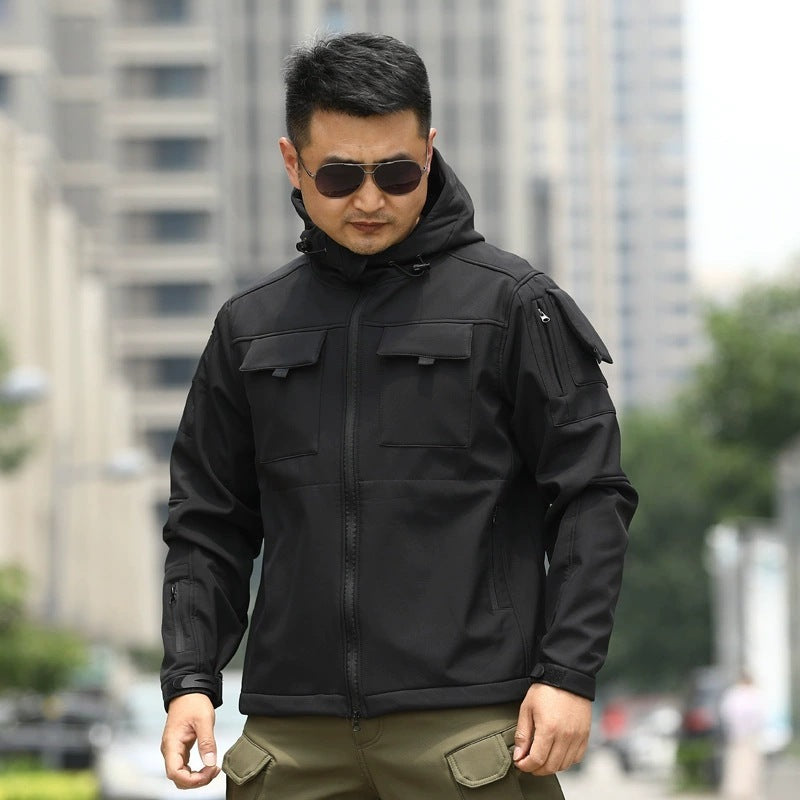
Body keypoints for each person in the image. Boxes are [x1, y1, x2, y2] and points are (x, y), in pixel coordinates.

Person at [159, 32, 637, 799]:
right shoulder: (249, 327)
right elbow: (208, 521)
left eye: (397, 172)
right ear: (292, 162)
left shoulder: (516, 306)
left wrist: (568, 673)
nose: (370, 199)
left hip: (472, 732)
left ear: (429, 150)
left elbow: (591, 498)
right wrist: (190, 679)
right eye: (340, 175)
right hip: (291, 738)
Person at [719, 674, 766, 800]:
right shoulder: (752, 694)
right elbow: (759, 716)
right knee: (748, 765)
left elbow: (726, 714)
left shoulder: (733, 694)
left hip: (736, 736)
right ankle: (746, 792)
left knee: (737, 765)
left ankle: (738, 791)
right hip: (748, 736)